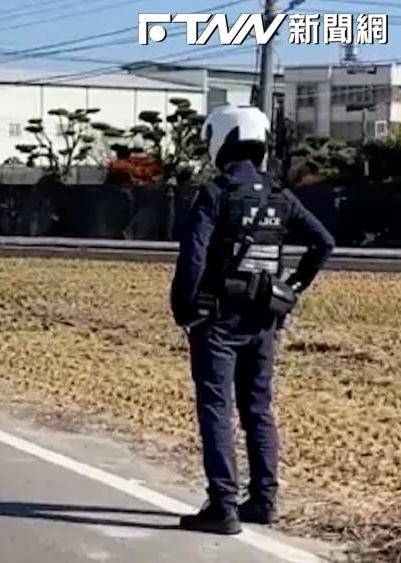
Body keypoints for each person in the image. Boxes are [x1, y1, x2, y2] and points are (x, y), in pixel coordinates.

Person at [170, 104, 335, 535]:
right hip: (264, 319)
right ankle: (263, 500)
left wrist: (186, 312)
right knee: (258, 408)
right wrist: (292, 289)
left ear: (220, 141)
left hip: (219, 320)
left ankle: (222, 506)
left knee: (216, 408)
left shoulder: (217, 193)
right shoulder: (278, 194)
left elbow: (193, 258)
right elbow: (323, 243)